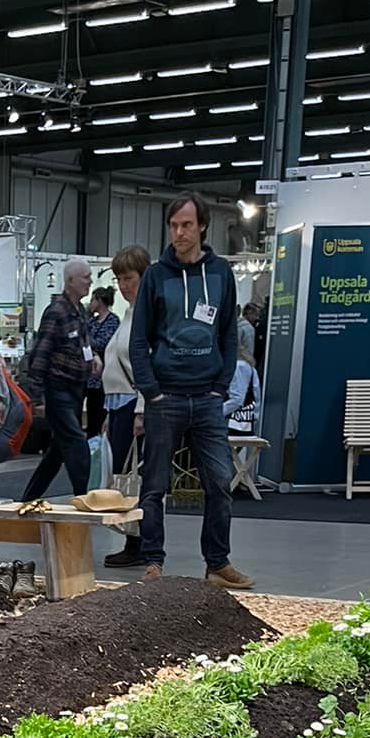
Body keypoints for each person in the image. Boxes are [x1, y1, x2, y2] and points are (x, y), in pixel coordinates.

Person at [130, 192, 253, 589]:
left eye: (186, 225)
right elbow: (139, 339)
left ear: (202, 226)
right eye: (173, 225)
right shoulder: (155, 275)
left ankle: (217, 562)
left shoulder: (220, 273)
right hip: (166, 395)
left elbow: (229, 332)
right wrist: (151, 391)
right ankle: (152, 562)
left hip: (207, 398)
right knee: (155, 485)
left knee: (219, 482)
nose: (179, 232)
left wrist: (221, 386)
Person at [21, 256, 94, 503]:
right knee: (77, 442)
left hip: (76, 390)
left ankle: (28, 497)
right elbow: (40, 354)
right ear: (71, 281)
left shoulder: (80, 311)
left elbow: (83, 345)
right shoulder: (55, 312)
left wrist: (92, 358)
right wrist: (37, 396)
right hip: (58, 390)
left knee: (58, 450)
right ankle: (84, 498)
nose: (90, 281)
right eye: (86, 277)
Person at [100, 246, 150, 571]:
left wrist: (142, 409)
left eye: (128, 277)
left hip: (135, 406)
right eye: (118, 278)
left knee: (135, 478)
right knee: (122, 477)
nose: (122, 285)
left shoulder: (148, 316)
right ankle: (133, 541)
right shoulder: (130, 314)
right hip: (119, 406)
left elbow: (149, 365)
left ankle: (140, 542)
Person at [85, 284, 118, 437]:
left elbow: (105, 342)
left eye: (92, 299)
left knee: (100, 412)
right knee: (91, 413)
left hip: (104, 375)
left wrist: (91, 346)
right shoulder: (91, 321)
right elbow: (83, 339)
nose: (90, 303)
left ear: (100, 301)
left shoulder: (113, 321)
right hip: (89, 376)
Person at [238, 301, 259, 366]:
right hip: (244, 364)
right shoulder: (248, 328)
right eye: (256, 314)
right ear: (249, 313)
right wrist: (251, 360)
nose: (257, 318)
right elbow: (248, 349)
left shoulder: (236, 325)